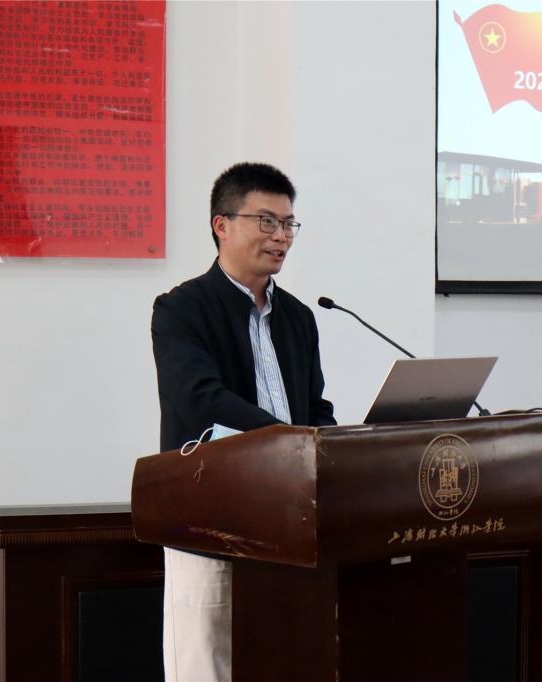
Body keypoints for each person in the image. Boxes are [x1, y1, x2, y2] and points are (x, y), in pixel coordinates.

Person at [151, 162, 336, 681]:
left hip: (290, 517)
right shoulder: (181, 309)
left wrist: (334, 445)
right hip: (209, 515)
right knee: (206, 660)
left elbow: (314, 406)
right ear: (222, 225)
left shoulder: (299, 316)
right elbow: (201, 399)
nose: (281, 236)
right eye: (266, 221)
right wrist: (289, 441)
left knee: (284, 657)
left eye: (289, 224)